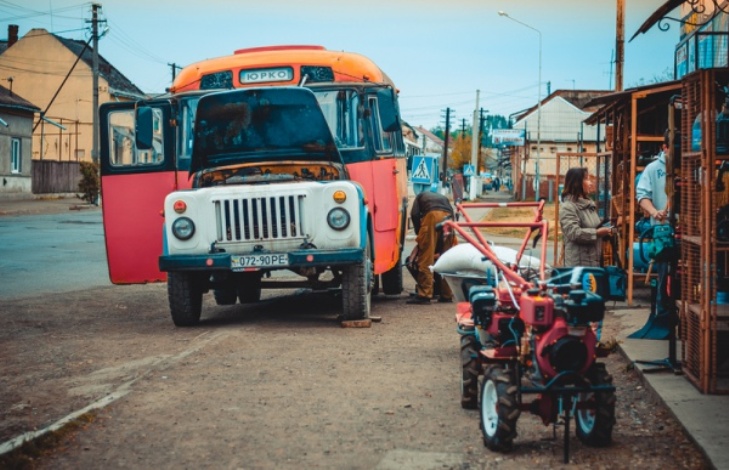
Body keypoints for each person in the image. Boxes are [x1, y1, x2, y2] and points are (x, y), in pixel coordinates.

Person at [636, 139, 671, 321]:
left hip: (690, 231)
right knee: (664, 273)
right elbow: (642, 196)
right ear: (664, 147)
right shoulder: (652, 169)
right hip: (663, 232)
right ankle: (662, 314)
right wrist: (654, 212)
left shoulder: (690, 165)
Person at [407, 190, 457, 304]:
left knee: (426, 258)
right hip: (448, 218)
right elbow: (452, 211)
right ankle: (447, 294)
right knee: (446, 257)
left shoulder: (419, 197)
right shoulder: (442, 197)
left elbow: (414, 214)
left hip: (432, 216)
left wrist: (419, 232)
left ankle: (425, 294)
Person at [559, 167, 614, 267]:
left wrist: (606, 230)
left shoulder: (589, 206)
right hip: (578, 266)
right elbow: (574, 233)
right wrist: (597, 233)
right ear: (577, 183)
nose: (590, 183)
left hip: (593, 262)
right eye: (587, 179)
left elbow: (593, 226)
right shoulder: (568, 207)